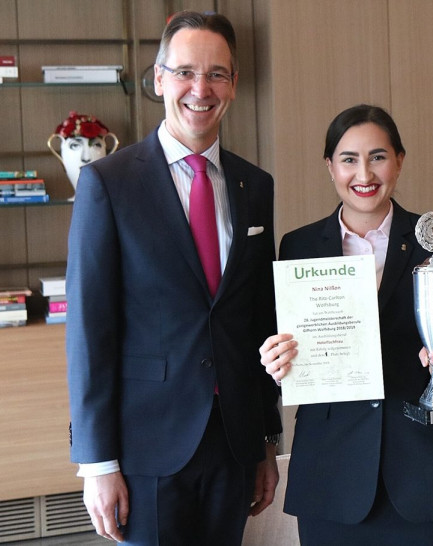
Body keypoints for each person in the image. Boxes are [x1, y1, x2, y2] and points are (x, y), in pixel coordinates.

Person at [66, 11, 282, 545]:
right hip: (146, 448)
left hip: (233, 444)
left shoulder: (255, 186)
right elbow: (90, 332)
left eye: (217, 74)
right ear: (159, 78)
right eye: (185, 72)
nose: (200, 89)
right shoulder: (107, 183)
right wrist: (97, 462)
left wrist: (266, 442)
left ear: (232, 85)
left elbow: (259, 317)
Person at [259, 104, 433, 545]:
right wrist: (274, 359)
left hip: (426, 471)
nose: (363, 172)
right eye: (348, 159)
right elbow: (281, 345)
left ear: (399, 160)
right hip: (333, 474)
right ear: (329, 167)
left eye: (378, 156)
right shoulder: (298, 247)